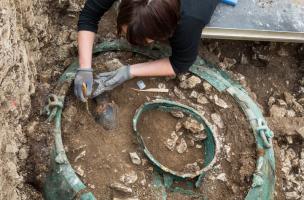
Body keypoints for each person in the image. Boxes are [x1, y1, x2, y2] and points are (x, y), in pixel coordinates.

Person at [74, 0, 219, 101]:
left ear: (166, 31)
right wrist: (85, 67)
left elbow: (181, 62)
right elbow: (89, 16)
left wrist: (129, 71)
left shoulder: (190, 18)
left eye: (144, 40)